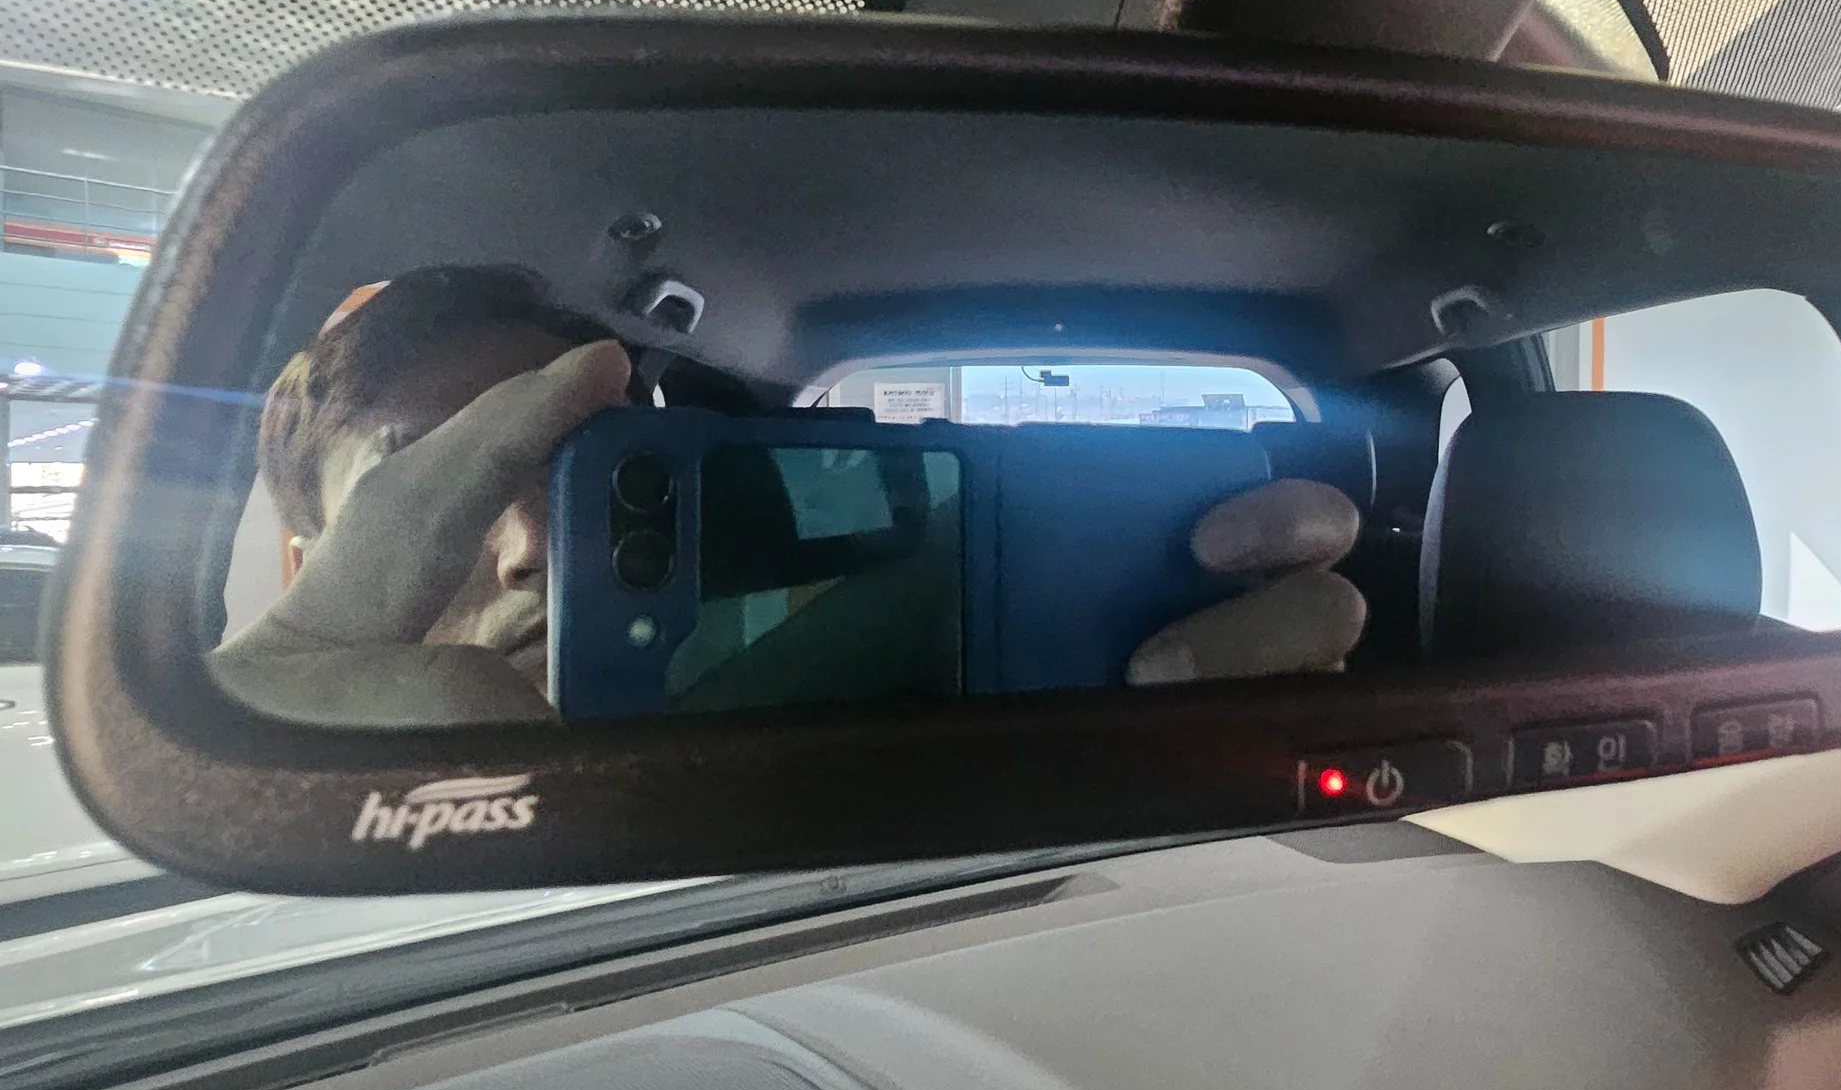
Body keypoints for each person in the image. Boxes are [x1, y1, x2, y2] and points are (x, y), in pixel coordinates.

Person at [211, 266, 1366, 726]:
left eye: (582, 473)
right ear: (306, 573)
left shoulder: (834, 694)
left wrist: (1204, 767)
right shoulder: (274, 825)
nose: (530, 548)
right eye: (432, 485)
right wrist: (259, 740)